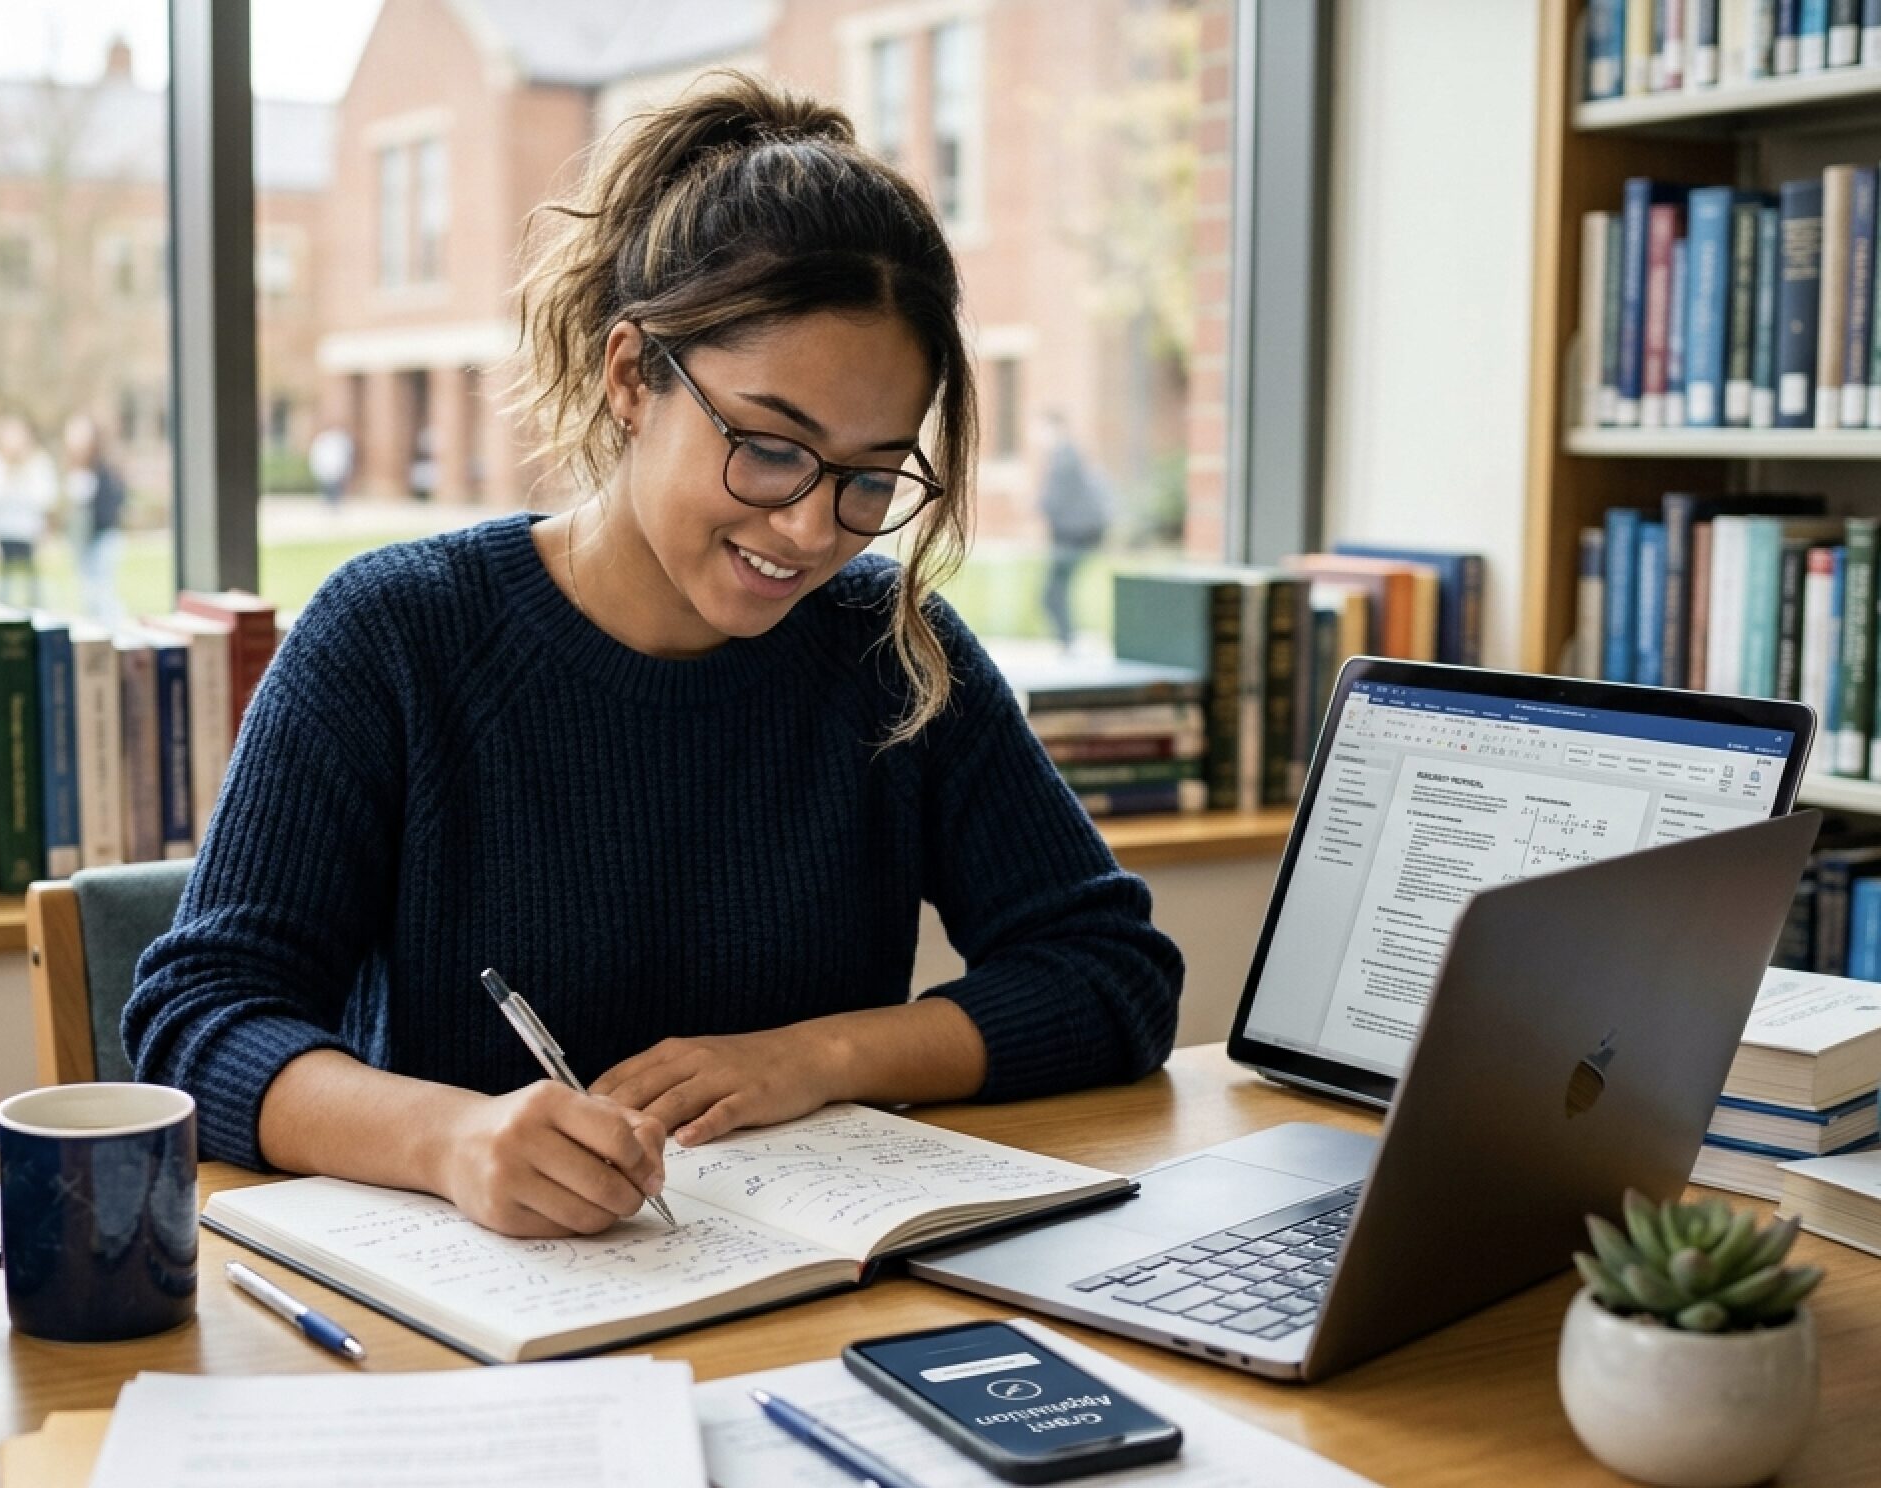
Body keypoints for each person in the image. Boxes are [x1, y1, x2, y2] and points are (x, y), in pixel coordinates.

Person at [124, 76, 1182, 1241]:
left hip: (804, 1296)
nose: (810, 529)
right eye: (770, 447)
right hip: (475, 1308)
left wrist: (817, 1057)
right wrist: (450, 1140)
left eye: (871, 476)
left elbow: (1111, 973)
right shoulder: (396, 635)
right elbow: (196, 1018)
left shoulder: (891, 652)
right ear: (632, 375)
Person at [1035, 410, 1113, 652]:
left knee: (1052, 592)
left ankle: (1067, 640)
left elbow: (1055, 499)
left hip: (1074, 537)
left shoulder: (1065, 458)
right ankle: (1066, 639)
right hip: (1073, 535)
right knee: (1054, 591)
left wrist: (1036, 506)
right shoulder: (1065, 456)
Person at [0, 414, 58, 608]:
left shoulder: (38, 462)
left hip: (30, 533)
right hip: (1, 533)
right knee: (2, 587)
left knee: (33, 588)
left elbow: (46, 497)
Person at [63, 412, 128, 623]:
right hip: (83, 541)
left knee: (103, 593)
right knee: (89, 594)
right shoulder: (73, 468)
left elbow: (114, 502)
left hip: (103, 536)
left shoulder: (104, 468)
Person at [308, 425, 354, 509]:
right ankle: (329, 504)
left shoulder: (340, 440)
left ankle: (334, 505)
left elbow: (346, 456)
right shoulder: (323, 440)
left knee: (335, 488)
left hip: (335, 469)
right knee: (328, 488)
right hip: (328, 469)